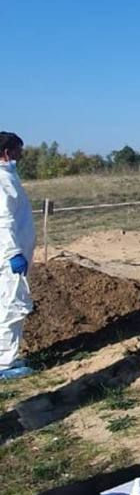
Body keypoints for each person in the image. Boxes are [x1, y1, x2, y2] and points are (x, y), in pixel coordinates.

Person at [0, 132, 36, 381]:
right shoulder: (2, 180)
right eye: (18, 150)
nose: (21, 155)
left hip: (12, 252)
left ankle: (6, 356)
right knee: (13, 305)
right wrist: (13, 253)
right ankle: (4, 362)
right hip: (9, 257)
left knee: (7, 303)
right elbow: (3, 220)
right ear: (7, 152)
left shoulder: (8, 176)